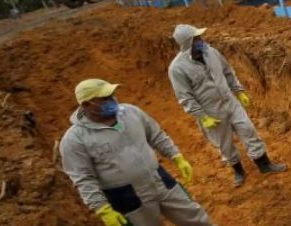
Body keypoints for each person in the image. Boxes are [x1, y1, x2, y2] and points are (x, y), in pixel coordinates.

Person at [60, 79, 213, 226]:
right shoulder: (75, 140)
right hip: (127, 196)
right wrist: (102, 208)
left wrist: (176, 156)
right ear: (87, 104)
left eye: (111, 95)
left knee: (196, 218)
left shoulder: (131, 112)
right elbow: (83, 178)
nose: (112, 99)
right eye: (104, 98)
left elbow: (156, 135)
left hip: (159, 179)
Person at [168, 24, 286, 187]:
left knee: (248, 129)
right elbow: (185, 97)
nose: (200, 40)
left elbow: (227, 71)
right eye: (196, 39)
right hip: (210, 111)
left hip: (229, 101)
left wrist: (238, 91)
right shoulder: (177, 68)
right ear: (188, 43)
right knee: (224, 143)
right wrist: (203, 117)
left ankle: (264, 164)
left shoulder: (211, 52)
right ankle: (238, 171)